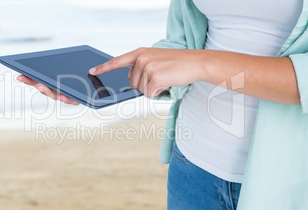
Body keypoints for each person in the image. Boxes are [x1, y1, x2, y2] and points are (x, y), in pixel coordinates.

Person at [18, 0, 308, 209]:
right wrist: (112, 79)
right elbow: (186, 43)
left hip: (291, 182)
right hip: (193, 166)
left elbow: (198, 61)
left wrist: (203, 64)